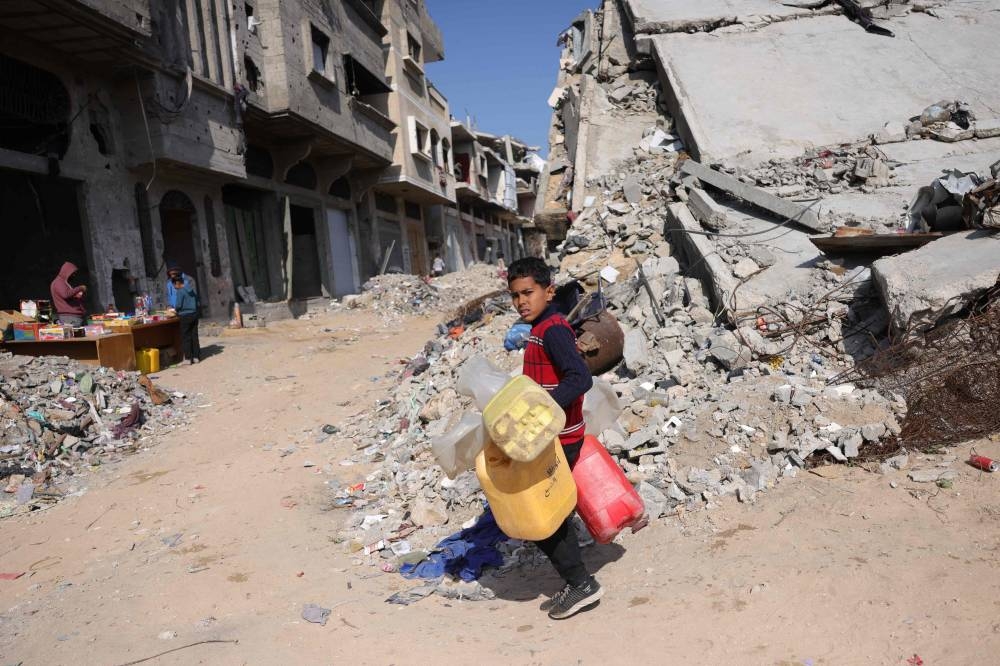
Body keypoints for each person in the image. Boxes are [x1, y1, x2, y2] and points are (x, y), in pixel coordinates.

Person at [506, 256, 600, 620]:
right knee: (548, 511)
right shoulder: (539, 326)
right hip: (547, 435)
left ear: (549, 291)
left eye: (528, 293)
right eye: (515, 296)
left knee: (541, 515)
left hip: (558, 437)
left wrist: (542, 408)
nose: (521, 302)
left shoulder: (554, 329)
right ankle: (576, 581)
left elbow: (579, 378)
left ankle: (581, 585)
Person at [172, 276, 201, 364]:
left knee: (186, 337)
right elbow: (198, 303)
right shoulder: (192, 290)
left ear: (177, 283)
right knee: (194, 336)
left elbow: (178, 305)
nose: (174, 287)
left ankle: (188, 358)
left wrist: (174, 310)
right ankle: (196, 357)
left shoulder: (180, 291)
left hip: (185, 316)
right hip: (194, 314)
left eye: (174, 285)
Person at [50, 261, 88, 326]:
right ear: (67, 272)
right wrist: (80, 288)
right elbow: (65, 294)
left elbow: (68, 295)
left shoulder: (64, 282)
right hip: (70, 318)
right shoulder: (58, 282)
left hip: (74, 317)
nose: (74, 275)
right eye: (72, 273)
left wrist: (78, 295)